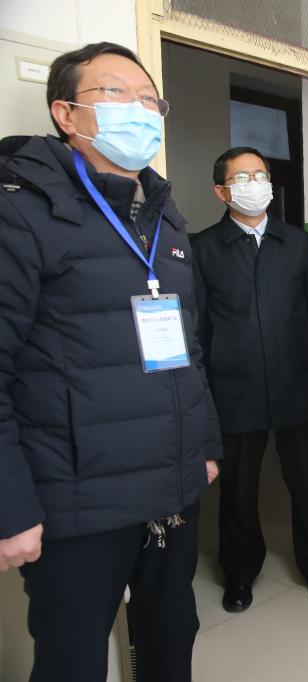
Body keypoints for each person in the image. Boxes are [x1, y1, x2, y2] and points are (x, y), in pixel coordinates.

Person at [0, 42, 221, 682]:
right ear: (66, 113)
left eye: (151, 99)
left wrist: (205, 446)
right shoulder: (20, 209)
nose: (140, 109)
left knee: (170, 641)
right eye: (116, 93)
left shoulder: (164, 215)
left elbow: (188, 348)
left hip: (170, 487)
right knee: (72, 659)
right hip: (76, 499)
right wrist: (11, 506)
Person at [191, 146, 308, 612]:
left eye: (260, 176)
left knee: (306, 481)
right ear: (221, 192)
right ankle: (239, 573)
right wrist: (201, 392)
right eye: (242, 178)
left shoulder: (297, 242)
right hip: (233, 389)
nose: (254, 185)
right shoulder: (203, 249)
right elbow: (197, 328)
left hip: (298, 381)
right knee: (238, 488)